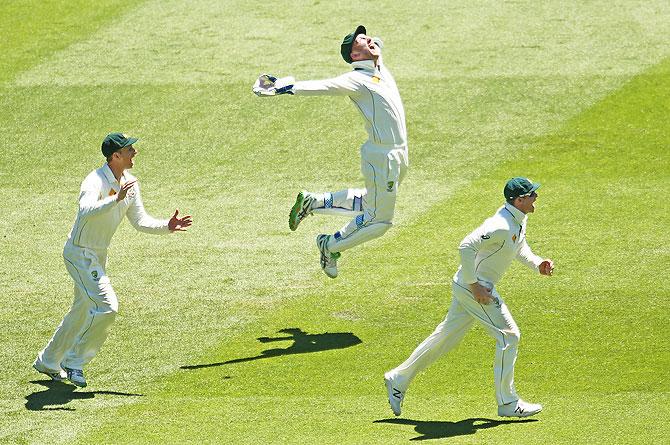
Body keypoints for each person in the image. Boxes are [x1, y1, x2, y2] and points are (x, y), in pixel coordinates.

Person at [384, 177, 554, 418]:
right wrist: (474, 286)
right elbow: (466, 246)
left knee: (445, 338)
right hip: (475, 290)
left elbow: (519, 246)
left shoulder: (517, 220)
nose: (536, 197)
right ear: (518, 200)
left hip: (471, 287)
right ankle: (507, 402)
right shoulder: (501, 224)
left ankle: (398, 379)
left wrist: (538, 264)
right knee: (509, 336)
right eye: (531, 194)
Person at [33, 133, 192, 387]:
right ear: (115, 156)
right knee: (108, 306)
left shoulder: (131, 183)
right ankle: (74, 361)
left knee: (82, 309)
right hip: (79, 252)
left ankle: (48, 361)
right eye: (130, 149)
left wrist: (167, 226)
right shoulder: (94, 180)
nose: (134, 153)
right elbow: (85, 210)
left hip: (98, 254)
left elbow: (140, 221)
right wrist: (113, 199)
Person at [252, 25, 409, 278]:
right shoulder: (356, 79)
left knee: (372, 202)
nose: (369, 39)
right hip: (382, 156)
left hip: (399, 154)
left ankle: (313, 202)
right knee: (380, 221)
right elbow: (325, 86)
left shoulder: (378, 67)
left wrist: (374, 49)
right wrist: (285, 86)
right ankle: (330, 245)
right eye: (361, 40)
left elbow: (377, 44)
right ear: (354, 56)